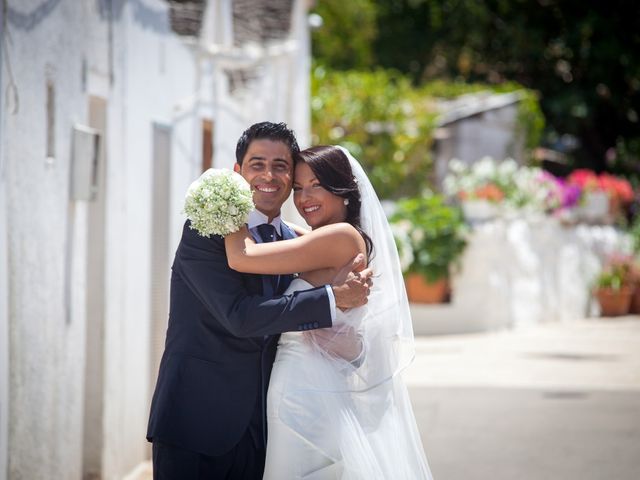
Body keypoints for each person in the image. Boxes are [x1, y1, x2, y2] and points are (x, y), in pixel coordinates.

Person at [146, 123, 373, 480]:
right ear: (238, 172)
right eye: (257, 164)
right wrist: (332, 298)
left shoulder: (294, 242)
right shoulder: (206, 229)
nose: (269, 175)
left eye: (282, 167)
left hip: (269, 430)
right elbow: (238, 317)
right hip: (196, 420)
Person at [225, 145, 433, 479]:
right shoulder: (331, 237)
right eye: (298, 188)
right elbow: (296, 234)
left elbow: (242, 257)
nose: (304, 197)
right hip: (313, 388)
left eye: (316, 185)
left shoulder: (340, 237)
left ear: (344, 191)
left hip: (302, 393)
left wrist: (227, 201)